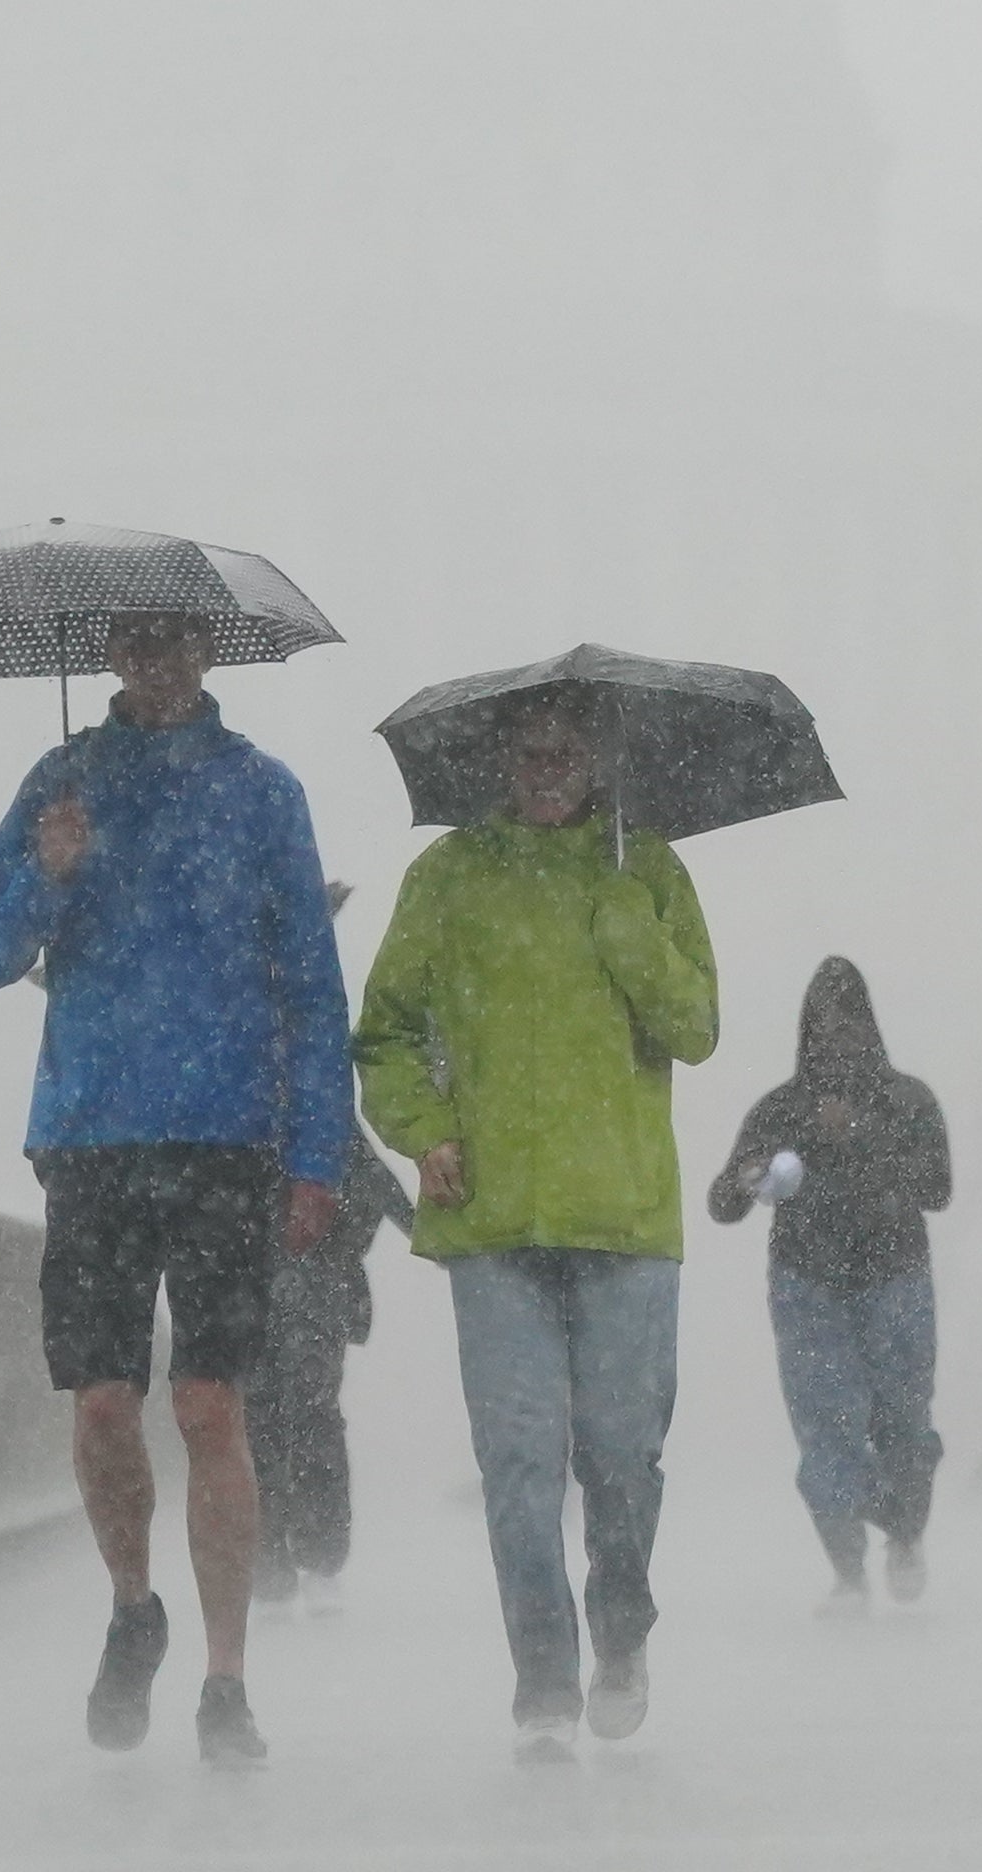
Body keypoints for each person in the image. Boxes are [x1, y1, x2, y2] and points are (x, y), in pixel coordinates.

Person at [0, 610, 355, 1767]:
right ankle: (135, 1604)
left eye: (174, 638)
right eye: (135, 640)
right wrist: (49, 870)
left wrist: (316, 1154)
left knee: (209, 1404)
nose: (156, 658)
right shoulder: (63, 780)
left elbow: (315, 992)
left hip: (228, 1133)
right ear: (109, 652)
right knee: (99, 1400)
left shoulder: (263, 792)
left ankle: (226, 1677)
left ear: (207, 648)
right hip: (90, 1131)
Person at [355, 694, 718, 1759]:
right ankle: (545, 1679)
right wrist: (422, 1130)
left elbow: (695, 1026)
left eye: (570, 749)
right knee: (517, 1462)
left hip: (627, 1215)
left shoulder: (645, 870)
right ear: (500, 761)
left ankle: (620, 1628)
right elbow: (380, 1032)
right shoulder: (450, 876)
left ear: (603, 759)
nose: (550, 767)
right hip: (493, 1218)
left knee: (621, 1458)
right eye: (532, 751)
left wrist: (626, 929)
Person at [710, 959, 952, 1606]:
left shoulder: (908, 1102)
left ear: (871, 1030)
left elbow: (938, 1189)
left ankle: (903, 1533)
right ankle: (848, 1572)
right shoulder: (780, 1110)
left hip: (895, 1276)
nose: (838, 1044)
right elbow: (722, 1204)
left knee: (904, 1422)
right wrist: (746, 1176)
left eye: (850, 1029)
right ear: (807, 1034)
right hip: (807, 1284)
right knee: (825, 1427)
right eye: (826, 1031)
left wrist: (862, 1139)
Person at [243, 1128, 416, 1607]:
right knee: (300, 1416)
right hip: (308, 1284)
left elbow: (372, 1179)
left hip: (274, 1281)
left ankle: (283, 1561)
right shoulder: (317, 1110)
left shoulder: (262, 1107)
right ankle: (305, 1559)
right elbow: (375, 1181)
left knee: (271, 1418)